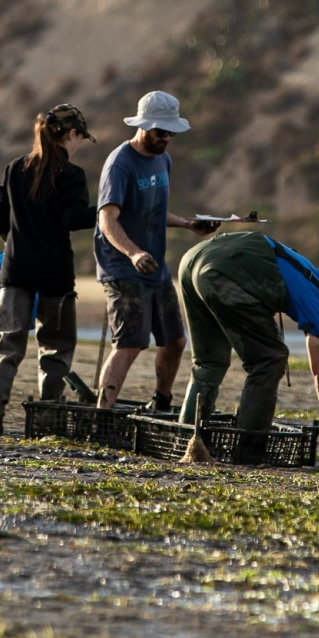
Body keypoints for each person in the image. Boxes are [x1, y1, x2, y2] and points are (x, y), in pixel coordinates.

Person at [175, 230, 319, 470]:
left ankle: (185, 441)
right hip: (220, 272)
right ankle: (249, 450)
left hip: (193, 260)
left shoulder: (307, 271)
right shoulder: (317, 303)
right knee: (270, 359)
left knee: (209, 362)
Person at [93, 90, 214, 411]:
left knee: (175, 342)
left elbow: (154, 211)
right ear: (143, 126)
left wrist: (189, 224)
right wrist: (133, 253)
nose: (166, 138)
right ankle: (102, 413)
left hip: (156, 268)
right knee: (130, 343)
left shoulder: (164, 159)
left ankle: (161, 402)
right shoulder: (120, 164)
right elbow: (107, 219)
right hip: (122, 269)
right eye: (161, 132)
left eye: (171, 133)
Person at [0, 104, 98, 435]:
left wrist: (19, 246)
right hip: (56, 274)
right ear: (71, 134)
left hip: (14, 270)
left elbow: (1, 223)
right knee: (56, 349)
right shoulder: (72, 175)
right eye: (80, 138)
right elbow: (72, 220)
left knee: (6, 346)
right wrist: (106, 211)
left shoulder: (13, 169)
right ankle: (46, 418)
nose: (79, 145)